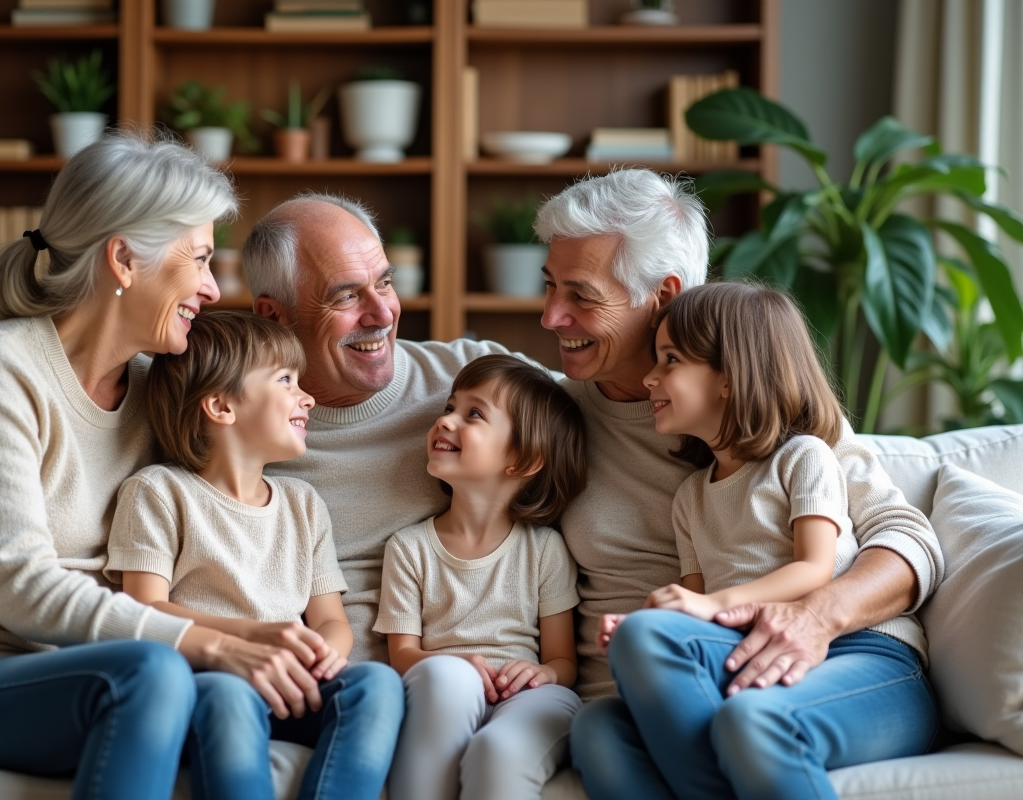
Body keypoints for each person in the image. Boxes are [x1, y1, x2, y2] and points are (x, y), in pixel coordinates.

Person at [0, 133, 326, 800]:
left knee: (235, 692)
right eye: (200, 258)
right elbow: (20, 588)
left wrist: (258, 638)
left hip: (104, 672)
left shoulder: (157, 390)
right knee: (158, 673)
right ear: (123, 258)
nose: (212, 286)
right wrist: (207, 645)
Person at [531, 169, 943, 792]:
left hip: (825, 658)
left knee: (745, 720)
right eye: (549, 287)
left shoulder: (776, 421)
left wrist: (818, 617)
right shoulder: (557, 420)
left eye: (582, 296)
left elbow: (908, 540)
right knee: (600, 733)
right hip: (680, 676)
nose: (550, 317)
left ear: (663, 295)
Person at [591, 282, 936, 799]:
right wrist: (654, 623)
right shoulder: (690, 498)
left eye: (670, 360)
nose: (650, 377)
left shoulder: (805, 456)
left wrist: (709, 605)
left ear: (729, 378)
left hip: (863, 653)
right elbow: (693, 612)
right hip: (749, 652)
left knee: (752, 721)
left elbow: (815, 570)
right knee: (599, 727)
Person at [106, 309, 404, 800]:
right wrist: (252, 640)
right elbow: (144, 609)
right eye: (286, 380)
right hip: (213, 678)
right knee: (226, 696)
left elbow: (331, 619)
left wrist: (321, 658)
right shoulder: (158, 492)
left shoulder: (303, 504)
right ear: (221, 406)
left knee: (376, 685)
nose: (306, 396)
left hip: (294, 684)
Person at [245, 192, 510, 665]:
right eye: (346, 295)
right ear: (273, 315)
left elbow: (614, 402)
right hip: (316, 689)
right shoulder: (231, 422)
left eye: (385, 283)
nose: (384, 315)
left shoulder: (478, 383)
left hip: (465, 685)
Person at [376, 354, 587, 800]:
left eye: (474, 414)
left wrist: (541, 675)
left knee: (499, 749)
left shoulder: (544, 549)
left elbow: (563, 662)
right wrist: (454, 666)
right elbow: (403, 655)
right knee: (446, 682)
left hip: (527, 698)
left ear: (524, 460)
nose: (447, 421)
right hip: (441, 688)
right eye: (449, 407)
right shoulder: (409, 548)